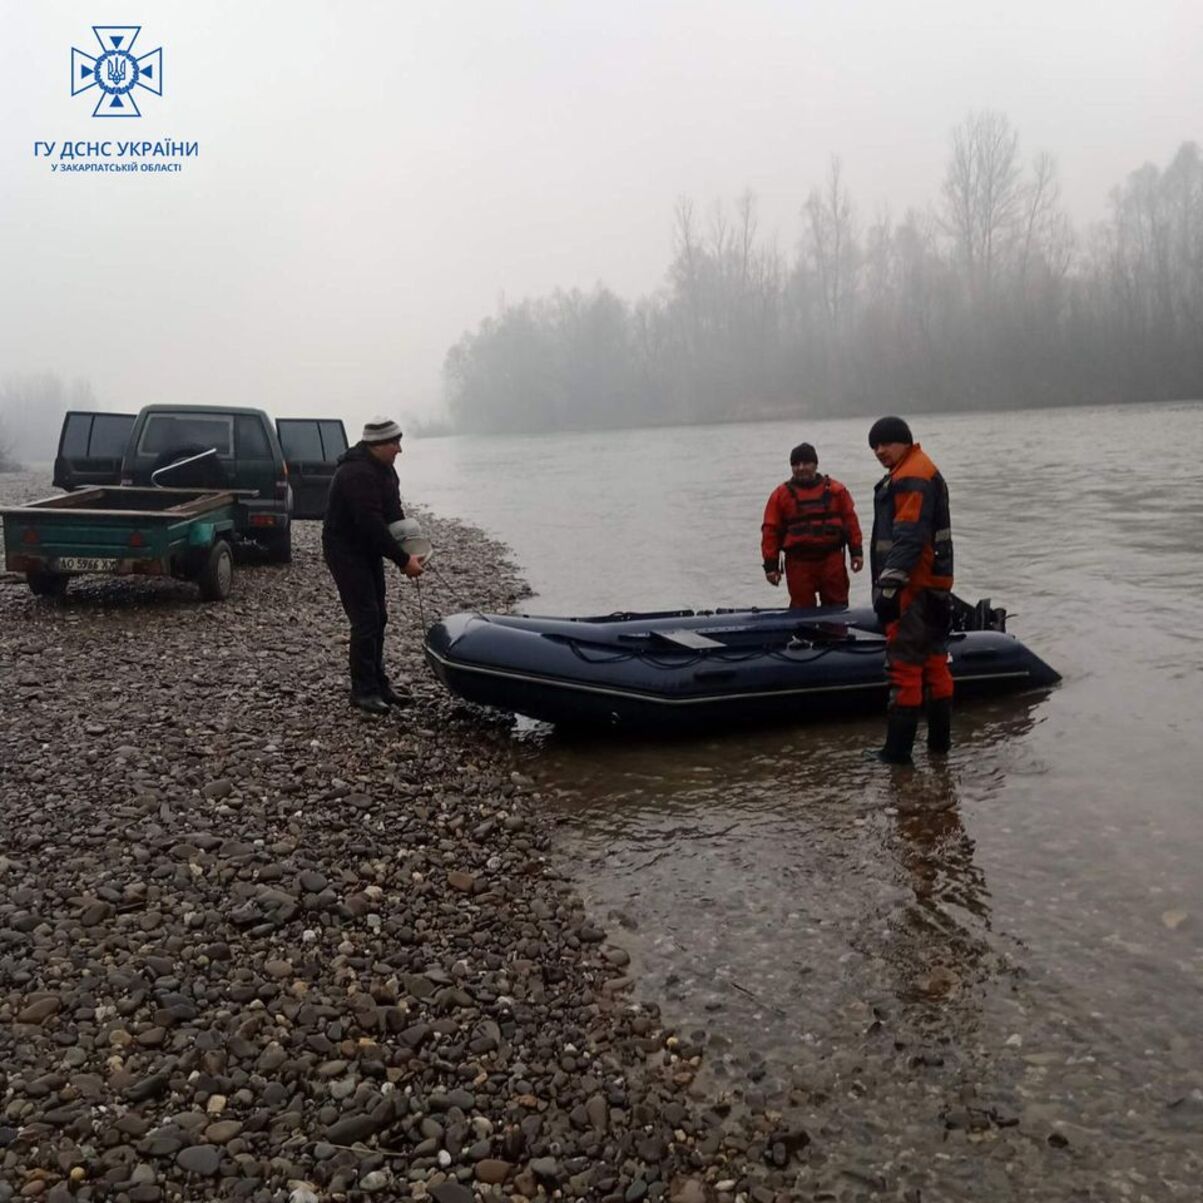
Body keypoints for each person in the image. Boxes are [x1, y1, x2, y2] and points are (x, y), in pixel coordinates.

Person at [322, 417, 425, 715]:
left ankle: (380, 685)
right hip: (344, 550)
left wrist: (413, 550)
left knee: (379, 615)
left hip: (368, 550)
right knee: (366, 618)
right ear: (378, 445)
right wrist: (403, 561)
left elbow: (394, 515)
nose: (400, 450)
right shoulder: (355, 473)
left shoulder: (385, 470)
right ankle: (363, 691)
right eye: (395, 443)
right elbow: (370, 525)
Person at [867, 416, 954, 764]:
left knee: (904, 666)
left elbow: (908, 536)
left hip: (912, 588)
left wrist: (889, 587)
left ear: (904, 441)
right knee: (935, 663)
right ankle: (938, 747)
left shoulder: (911, 475)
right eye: (875, 446)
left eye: (886, 443)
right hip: (934, 585)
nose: (879, 451)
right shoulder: (920, 468)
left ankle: (897, 753)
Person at [761, 442, 863, 608]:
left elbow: (850, 521)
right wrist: (771, 566)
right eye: (796, 464)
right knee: (801, 610)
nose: (801, 468)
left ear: (816, 464)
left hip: (831, 560)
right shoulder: (780, 495)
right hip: (798, 563)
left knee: (837, 606)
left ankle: (837, 634)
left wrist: (856, 551)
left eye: (806, 463)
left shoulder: (837, 491)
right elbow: (770, 531)